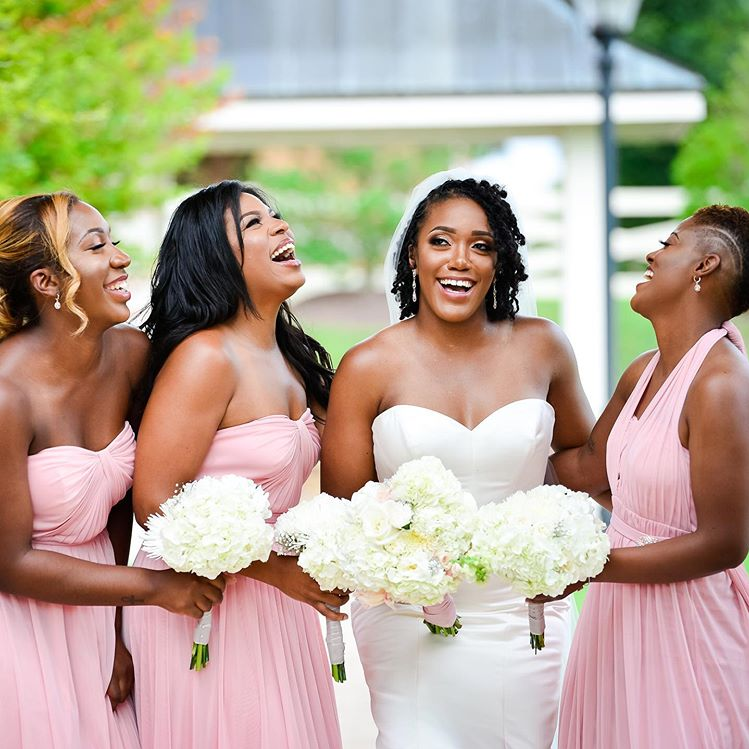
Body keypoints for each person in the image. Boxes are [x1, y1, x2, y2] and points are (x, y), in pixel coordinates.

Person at [321, 169, 594, 749]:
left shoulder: (544, 345)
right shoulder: (368, 366)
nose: (460, 260)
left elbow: (580, 464)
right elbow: (345, 510)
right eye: (440, 241)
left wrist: (569, 546)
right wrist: (399, 569)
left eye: (482, 245)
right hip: (409, 615)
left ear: (503, 261)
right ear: (412, 256)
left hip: (523, 613)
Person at [124, 180, 345, 749]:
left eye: (277, 216)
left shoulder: (293, 358)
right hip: (203, 603)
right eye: (253, 224)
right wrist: (277, 570)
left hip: (277, 600)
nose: (280, 227)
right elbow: (154, 503)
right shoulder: (206, 357)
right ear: (212, 259)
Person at [0, 191, 225, 749]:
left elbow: (118, 510)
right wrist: (154, 588)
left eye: (115, 242)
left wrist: (118, 635)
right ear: (48, 283)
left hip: (98, 608)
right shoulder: (6, 396)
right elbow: (9, 564)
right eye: (97, 247)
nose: (121, 259)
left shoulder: (129, 356)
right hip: (17, 626)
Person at [550, 205, 749, 747]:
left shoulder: (721, 385)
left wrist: (588, 566)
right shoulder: (643, 369)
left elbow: (725, 544)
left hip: (686, 626)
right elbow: (588, 468)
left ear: (703, 267)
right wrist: (490, 444)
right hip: (616, 617)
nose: (652, 253)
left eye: (669, 242)